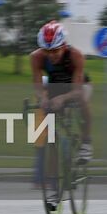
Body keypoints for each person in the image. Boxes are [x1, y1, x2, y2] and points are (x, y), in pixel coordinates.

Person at [29, 21, 93, 163]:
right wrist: (43, 98)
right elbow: (38, 86)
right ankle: (53, 149)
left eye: (55, 50)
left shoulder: (76, 56)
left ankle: (86, 142)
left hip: (78, 85)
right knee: (47, 110)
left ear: (64, 45)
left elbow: (76, 90)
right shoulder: (36, 57)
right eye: (47, 51)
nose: (51, 55)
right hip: (55, 85)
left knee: (82, 100)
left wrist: (63, 99)